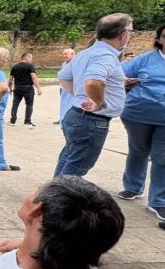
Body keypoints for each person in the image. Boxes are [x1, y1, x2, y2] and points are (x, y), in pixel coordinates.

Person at [116, 21, 165, 223]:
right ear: (159, 40)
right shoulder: (144, 59)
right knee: (138, 151)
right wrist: (125, 82)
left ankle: (160, 202)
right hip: (138, 115)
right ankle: (133, 187)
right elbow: (116, 74)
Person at [55, 13, 133, 177]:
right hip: (91, 121)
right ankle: (61, 194)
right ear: (124, 34)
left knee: (68, 159)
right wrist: (98, 102)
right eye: (131, 31)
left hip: (77, 115)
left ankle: (52, 192)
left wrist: (80, 95)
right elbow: (92, 81)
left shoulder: (86, 53)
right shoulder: (106, 56)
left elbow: (63, 76)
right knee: (74, 170)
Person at [8, 51, 42, 128]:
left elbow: (10, 79)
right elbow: (34, 77)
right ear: (26, 57)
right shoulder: (30, 66)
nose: (31, 59)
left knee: (15, 104)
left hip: (17, 88)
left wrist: (10, 88)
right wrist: (38, 88)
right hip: (28, 88)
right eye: (31, 58)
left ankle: (12, 121)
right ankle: (27, 122)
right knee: (29, 105)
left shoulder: (14, 67)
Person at [53, 48, 76, 125]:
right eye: (63, 54)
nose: (64, 56)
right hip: (63, 88)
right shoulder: (64, 64)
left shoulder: (76, 63)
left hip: (72, 88)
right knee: (64, 103)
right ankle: (62, 118)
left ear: (73, 54)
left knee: (72, 104)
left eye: (66, 54)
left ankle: (70, 120)